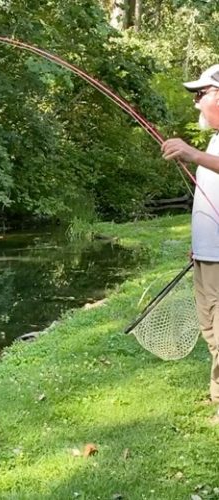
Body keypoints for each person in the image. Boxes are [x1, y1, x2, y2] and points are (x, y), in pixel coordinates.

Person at [161, 64, 219, 406]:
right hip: (207, 256)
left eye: (201, 94)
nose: (196, 103)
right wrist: (198, 245)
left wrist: (193, 154)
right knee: (211, 332)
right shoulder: (215, 138)